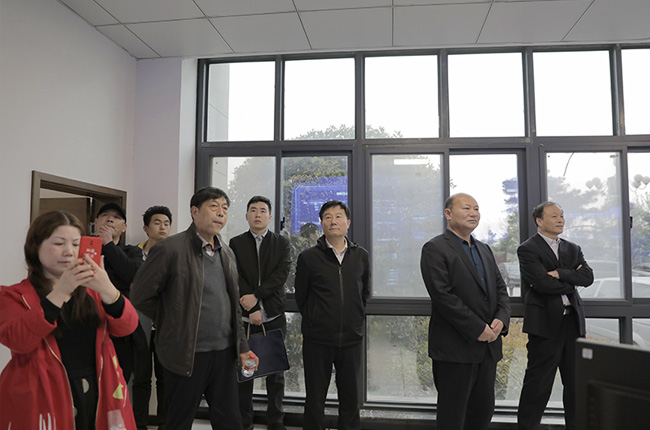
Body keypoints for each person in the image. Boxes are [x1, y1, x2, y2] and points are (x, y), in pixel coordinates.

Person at [0, 210, 138, 430]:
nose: (69, 251)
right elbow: (18, 340)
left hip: (101, 389)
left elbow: (127, 326)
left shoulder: (92, 290)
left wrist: (108, 289)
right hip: (41, 395)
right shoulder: (13, 295)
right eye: (58, 243)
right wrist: (61, 291)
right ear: (35, 247)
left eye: (76, 244)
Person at [130, 187, 255, 430]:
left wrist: (242, 347)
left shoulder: (227, 253)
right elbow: (140, 296)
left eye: (225, 208)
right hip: (186, 353)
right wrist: (174, 320)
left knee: (230, 422)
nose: (221, 213)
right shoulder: (170, 249)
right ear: (195, 212)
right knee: (178, 422)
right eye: (214, 206)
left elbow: (234, 307)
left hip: (224, 354)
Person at [420, 193, 511, 430]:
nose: (473, 213)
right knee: (453, 417)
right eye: (467, 208)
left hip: (488, 348)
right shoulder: (435, 248)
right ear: (448, 214)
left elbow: (500, 290)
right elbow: (443, 296)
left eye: (477, 209)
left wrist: (501, 319)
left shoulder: (484, 249)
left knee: (482, 414)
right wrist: (478, 328)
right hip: (455, 349)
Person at [517, 202, 594, 430]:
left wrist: (559, 273)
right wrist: (572, 281)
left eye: (562, 215)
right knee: (538, 385)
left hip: (573, 323)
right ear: (539, 221)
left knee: (576, 384)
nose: (560, 220)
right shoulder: (528, 249)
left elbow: (588, 277)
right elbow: (541, 283)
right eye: (554, 216)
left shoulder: (573, 248)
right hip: (545, 326)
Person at [295, 200, 371, 430]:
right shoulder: (308, 257)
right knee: (315, 397)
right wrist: (316, 319)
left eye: (338, 216)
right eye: (327, 217)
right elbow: (302, 297)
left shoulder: (361, 256)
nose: (333, 221)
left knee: (350, 397)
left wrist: (354, 319)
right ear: (321, 223)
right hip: (318, 339)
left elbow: (364, 293)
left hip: (351, 338)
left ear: (348, 223)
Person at [229, 196, 291, 430]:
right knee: (246, 373)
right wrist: (253, 308)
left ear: (270, 217)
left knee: (276, 374)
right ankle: (245, 422)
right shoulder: (236, 243)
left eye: (262, 210)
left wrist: (256, 297)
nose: (258, 214)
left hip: (273, 317)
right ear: (246, 216)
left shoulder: (281, 243)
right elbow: (235, 275)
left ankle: (276, 422)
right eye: (253, 210)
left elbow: (280, 275)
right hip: (245, 319)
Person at [132, 205, 173, 430]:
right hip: (140, 325)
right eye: (157, 223)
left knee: (165, 379)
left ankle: (165, 424)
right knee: (141, 379)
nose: (163, 227)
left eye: (166, 223)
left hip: (165, 326)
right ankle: (139, 424)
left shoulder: (174, 254)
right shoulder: (134, 255)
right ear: (146, 228)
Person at [95, 202, 144, 381]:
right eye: (105, 215)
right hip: (91, 322)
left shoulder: (132, 251)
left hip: (121, 324)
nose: (110, 219)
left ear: (124, 227)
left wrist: (108, 244)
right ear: (96, 222)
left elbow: (132, 274)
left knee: (118, 380)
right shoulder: (84, 247)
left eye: (116, 217)